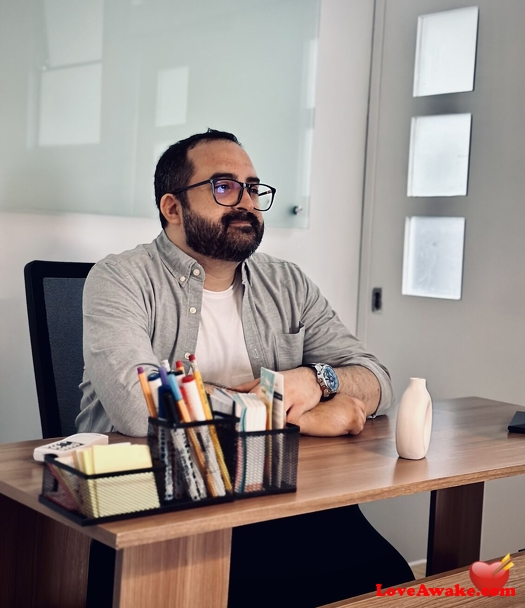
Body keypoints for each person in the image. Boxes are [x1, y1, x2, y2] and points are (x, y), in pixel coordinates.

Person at [77, 129, 414, 607]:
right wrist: (289, 407)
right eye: (223, 186)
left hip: (282, 495)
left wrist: (317, 379)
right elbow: (138, 407)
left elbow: (377, 380)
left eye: (253, 188)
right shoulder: (119, 279)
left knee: (393, 584)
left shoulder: (288, 283)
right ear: (172, 208)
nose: (247, 202)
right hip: (160, 508)